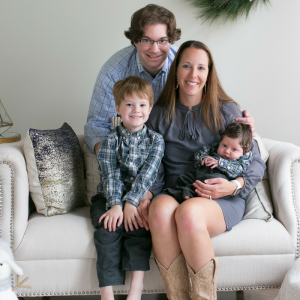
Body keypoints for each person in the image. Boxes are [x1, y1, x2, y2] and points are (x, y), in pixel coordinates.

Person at [139, 41, 266, 300]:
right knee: (161, 212)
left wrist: (235, 185)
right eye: (186, 66)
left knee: (188, 213)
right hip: (174, 189)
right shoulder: (158, 114)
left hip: (220, 195)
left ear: (209, 74)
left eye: (200, 68)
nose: (193, 74)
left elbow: (255, 161)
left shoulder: (226, 111)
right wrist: (148, 193)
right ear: (175, 71)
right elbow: (152, 163)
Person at [84, 4, 255, 161]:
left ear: (171, 41)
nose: (155, 48)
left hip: (176, 152)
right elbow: (96, 124)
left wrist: (242, 128)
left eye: (162, 40)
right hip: (133, 147)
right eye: (146, 40)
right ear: (135, 41)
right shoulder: (113, 71)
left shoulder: (184, 67)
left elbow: (211, 103)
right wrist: (110, 156)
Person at [90, 76, 165, 300]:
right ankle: (107, 293)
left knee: (139, 231)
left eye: (142, 105)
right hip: (107, 198)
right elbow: (110, 174)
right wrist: (116, 205)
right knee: (107, 232)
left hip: (139, 199)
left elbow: (148, 174)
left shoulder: (156, 141)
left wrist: (131, 203)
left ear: (150, 109)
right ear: (118, 108)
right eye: (129, 104)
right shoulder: (109, 141)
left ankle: (136, 289)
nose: (136, 110)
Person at [165, 122, 253, 202]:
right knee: (185, 178)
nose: (227, 151)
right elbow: (200, 151)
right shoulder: (214, 147)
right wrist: (204, 158)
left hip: (219, 179)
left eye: (234, 149)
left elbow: (238, 170)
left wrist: (220, 163)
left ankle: (189, 194)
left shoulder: (243, 159)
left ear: (244, 151)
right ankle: (179, 192)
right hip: (201, 172)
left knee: (208, 181)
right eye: (224, 145)